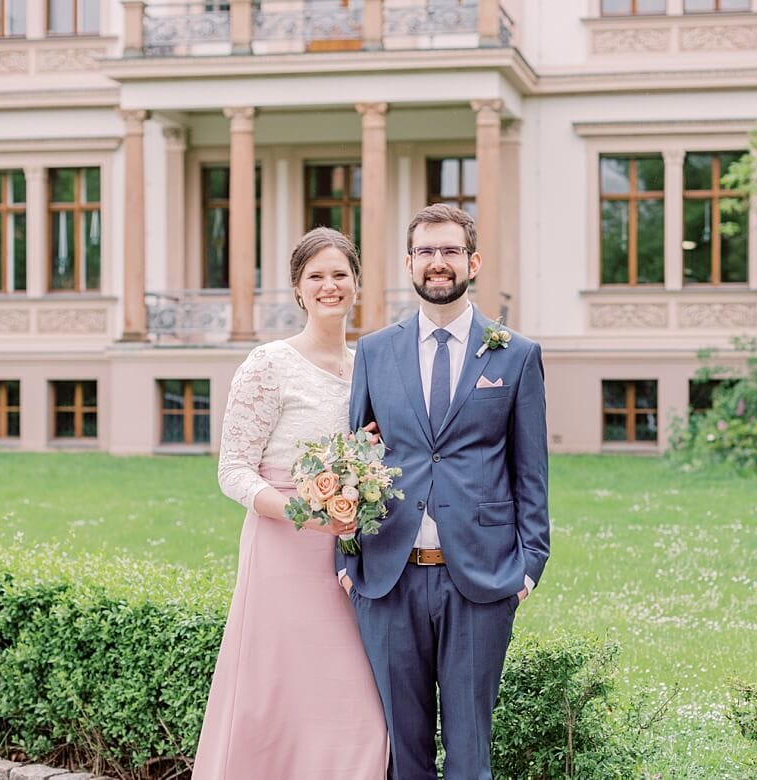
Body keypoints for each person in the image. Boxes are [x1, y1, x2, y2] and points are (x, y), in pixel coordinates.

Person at [341, 204, 551, 779]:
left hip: (480, 580)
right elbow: (356, 456)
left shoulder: (516, 353)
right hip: (389, 577)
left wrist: (529, 565)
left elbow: (531, 471)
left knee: (469, 756)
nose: (439, 263)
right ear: (409, 263)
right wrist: (347, 557)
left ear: (473, 261)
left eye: (450, 251)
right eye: (427, 252)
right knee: (403, 756)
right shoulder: (375, 351)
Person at [192, 227, 389, 779]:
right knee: (279, 700)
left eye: (340, 275)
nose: (330, 286)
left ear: (356, 284)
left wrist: (362, 476)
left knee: (360, 717)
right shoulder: (268, 364)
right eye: (316, 277)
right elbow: (232, 470)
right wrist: (305, 511)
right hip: (282, 553)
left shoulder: (370, 367)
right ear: (298, 290)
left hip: (352, 558)